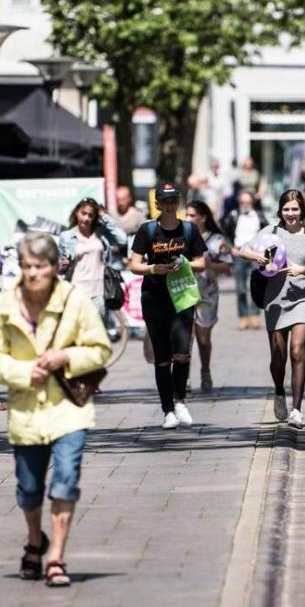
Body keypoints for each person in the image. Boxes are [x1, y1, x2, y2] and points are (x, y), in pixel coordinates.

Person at [0, 232, 111, 588]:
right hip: (25, 409)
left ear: (55, 267)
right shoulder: (3, 306)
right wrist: (24, 372)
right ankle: (34, 540)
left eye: (39, 266)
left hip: (69, 408)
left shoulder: (75, 301)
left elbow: (100, 350)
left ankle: (56, 555)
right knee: (28, 488)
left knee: (66, 478)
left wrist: (64, 356)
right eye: (26, 266)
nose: (32, 273)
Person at [240, 189, 305, 429]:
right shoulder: (271, 232)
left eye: (295, 209)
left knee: (297, 352)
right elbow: (242, 249)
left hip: (301, 300)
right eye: (286, 209)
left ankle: (297, 410)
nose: (290, 214)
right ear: (280, 211)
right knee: (278, 358)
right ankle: (279, 391)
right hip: (274, 302)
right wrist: (258, 256)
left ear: (302, 211)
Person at [129, 183, 207, 429]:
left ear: (179, 202)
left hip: (182, 295)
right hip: (154, 298)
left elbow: (201, 263)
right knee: (162, 357)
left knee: (182, 351)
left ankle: (180, 400)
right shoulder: (148, 230)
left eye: (174, 200)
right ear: (158, 204)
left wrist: (183, 263)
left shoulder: (190, 230)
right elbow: (134, 264)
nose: (171, 205)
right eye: (166, 201)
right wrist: (154, 268)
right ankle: (168, 410)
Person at [186, 199, 232, 393]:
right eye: (186, 215)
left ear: (203, 218)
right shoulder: (181, 237)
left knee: (203, 339)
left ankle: (205, 370)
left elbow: (227, 266)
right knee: (185, 338)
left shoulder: (216, 240)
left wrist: (209, 265)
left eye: (192, 215)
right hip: (184, 291)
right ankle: (184, 377)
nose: (187, 219)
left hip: (207, 293)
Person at [58, 197, 126, 314]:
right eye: (83, 213)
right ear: (76, 212)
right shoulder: (66, 236)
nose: (86, 218)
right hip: (75, 291)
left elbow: (122, 240)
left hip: (99, 293)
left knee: (99, 330)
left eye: (91, 215)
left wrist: (104, 216)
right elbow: (60, 268)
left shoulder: (101, 233)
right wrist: (63, 264)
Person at [222, 191, 268, 329]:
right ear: (239, 203)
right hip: (239, 253)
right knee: (241, 288)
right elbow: (224, 233)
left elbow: (268, 232)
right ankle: (243, 317)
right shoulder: (233, 215)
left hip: (255, 254)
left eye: (248, 202)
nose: (245, 205)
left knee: (255, 286)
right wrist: (231, 248)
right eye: (242, 202)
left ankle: (255, 316)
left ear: (252, 202)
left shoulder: (259, 216)